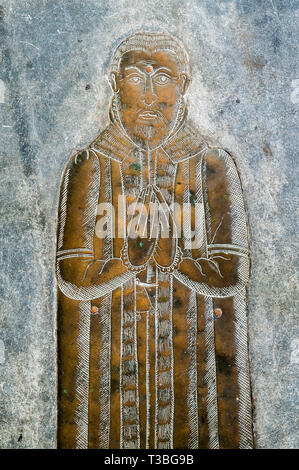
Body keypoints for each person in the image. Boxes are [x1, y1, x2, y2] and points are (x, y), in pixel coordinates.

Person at [56, 32, 252, 449]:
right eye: (136, 78)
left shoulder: (212, 165)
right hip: (108, 361)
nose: (149, 95)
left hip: (193, 362)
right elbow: (69, 273)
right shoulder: (88, 165)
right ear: (114, 83)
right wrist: (126, 263)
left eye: (162, 77)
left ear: (183, 85)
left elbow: (234, 272)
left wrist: (175, 259)